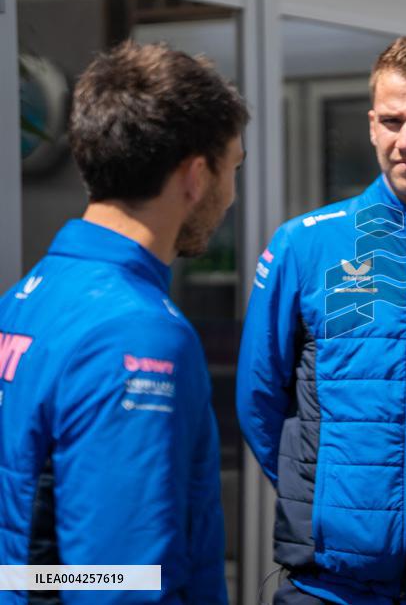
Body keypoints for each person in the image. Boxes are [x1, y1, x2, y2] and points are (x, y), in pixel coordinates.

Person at [236, 35, 406, 604]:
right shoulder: (305, 245)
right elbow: (259, 399)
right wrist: (322, 497)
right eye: (391, 120)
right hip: (328, 585)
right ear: (370, 125)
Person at [0, 41, 248, 603]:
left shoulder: (24, 299)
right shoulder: (137, 334)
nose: (231, 196)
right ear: (193, 176)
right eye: (232, 167)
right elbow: (123, 580)